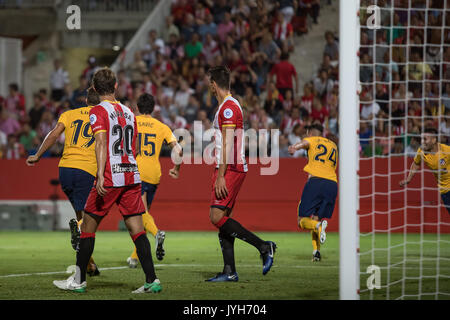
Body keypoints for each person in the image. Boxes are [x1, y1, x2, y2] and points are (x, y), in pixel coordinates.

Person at [52, 68, 161, 293]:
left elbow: (101, 143)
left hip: (112, 176)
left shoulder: (98, 111)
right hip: (132, 174)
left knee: (88, 228)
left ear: (93, 89)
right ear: (115, 87)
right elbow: (136, 146)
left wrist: (100, 174)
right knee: (137, 230)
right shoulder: (129, 112)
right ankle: (152, 280)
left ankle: (78, 281)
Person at [205, 66, 276, 282]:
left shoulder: (228, 108)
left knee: (215, 216)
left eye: (210, 83)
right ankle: (229, 271)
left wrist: (221, 175)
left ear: (214, 85)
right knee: (223, 219)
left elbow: (227, 143)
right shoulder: (228, 106)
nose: (209, 87)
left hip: (231, 167)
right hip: (231, 166)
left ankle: (264, 247)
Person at [25, 87, 101, 276]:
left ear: (85, 101)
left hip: (65, 170)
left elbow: (53, 134)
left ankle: (90, 264)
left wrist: (37, 155)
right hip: (86, 170)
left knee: (80, 214)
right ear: (100, 102)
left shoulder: (69, 114)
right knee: (89, 222)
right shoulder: (101, 117)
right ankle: (81, 270)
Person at [126, 93, 183, 268]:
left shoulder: (132, 122)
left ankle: (157, 233)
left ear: (138, 107)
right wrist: (176, 169)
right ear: (153, 108)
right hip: (154, 174)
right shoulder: (162, 126)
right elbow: (179, 150)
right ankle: (135, 257)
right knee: (143, 215)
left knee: (140, 214)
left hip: (137, 172)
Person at [288, 123, 338, 262]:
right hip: (332, 184)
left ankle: (318, 226)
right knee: (316, 218)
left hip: (316, 182)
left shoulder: (311, 139)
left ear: (310, 133)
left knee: (302, 221)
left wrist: (294, 147)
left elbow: (303, 143)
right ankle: (316, 252)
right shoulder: (333, 145)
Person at [400, 127, 450, 214]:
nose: (422, 142)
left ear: (434, 140)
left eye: (425, 139)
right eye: (421, 139)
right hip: (445, 191)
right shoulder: (421, 151)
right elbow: (416, 164)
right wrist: (408, 179)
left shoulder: (446, 150)